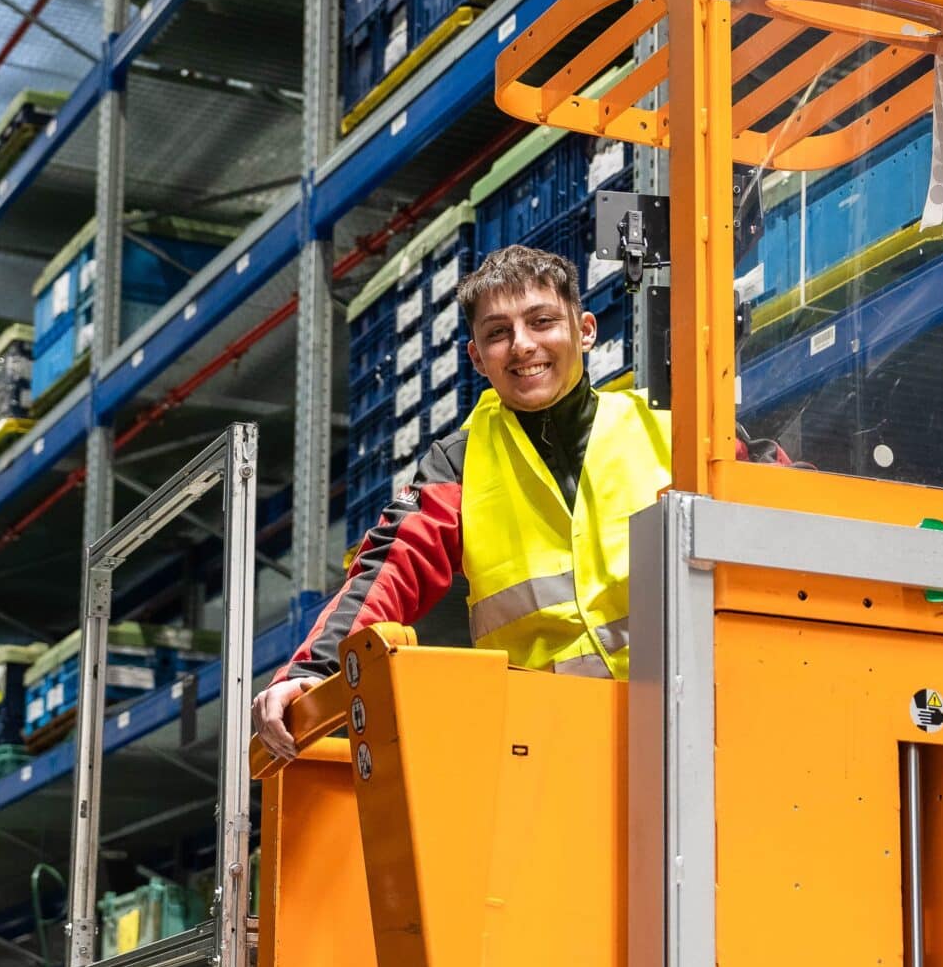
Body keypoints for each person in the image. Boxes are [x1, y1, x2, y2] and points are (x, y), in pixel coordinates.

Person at [250, 243, 670, 762]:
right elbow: (387, 570)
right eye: (497, 333)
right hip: (545, 751)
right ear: (476, 358)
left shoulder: (671, 428)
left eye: (542, 321)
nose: (522, 345)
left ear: (585, 330)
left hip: (687, 725)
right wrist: (312, 671)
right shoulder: (459, 463)